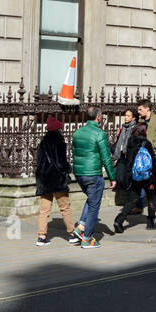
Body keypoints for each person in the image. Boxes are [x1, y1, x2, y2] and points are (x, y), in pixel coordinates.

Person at [71, 106, 115, 249]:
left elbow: (75, 153)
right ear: (98, 117)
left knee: (91, 198)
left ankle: (80, 227)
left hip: (79, 173)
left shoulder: (77, 133)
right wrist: (112, 177)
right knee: (94, 206)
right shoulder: (99, 133)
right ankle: (87, 238)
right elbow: (106, 158)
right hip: (93, 174)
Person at [34, 115, 78, 245]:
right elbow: (60, 162)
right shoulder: (59, 141)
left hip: (44, 180)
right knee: (65, 208)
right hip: (57, 179)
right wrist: (68, 169)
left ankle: (41, 237)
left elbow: (39, 161)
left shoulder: (42, 142)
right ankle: (71, 234)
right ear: (58, 129)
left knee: (44, 210)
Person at [114, 123, 156, 233]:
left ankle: (119, 219)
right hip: (147, 177)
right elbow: (153, 162)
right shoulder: (146, 143)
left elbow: (128, 160)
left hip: (134, 176)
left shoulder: (130, 142)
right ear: (143, 131)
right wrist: (155, 180)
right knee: (152, 197)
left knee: (132, 200)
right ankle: (151, 222)